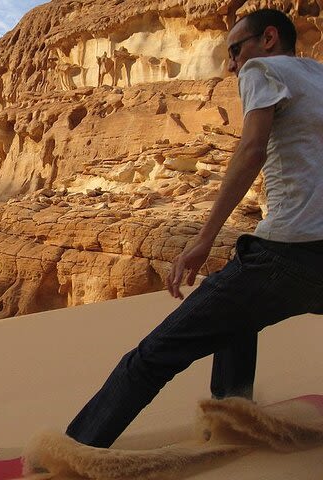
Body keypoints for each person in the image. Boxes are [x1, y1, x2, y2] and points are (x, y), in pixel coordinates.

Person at [65, 8, 323, 448]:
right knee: (239, 319)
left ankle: (68, 457)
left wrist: (203, 238)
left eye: (235, 50)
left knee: (150, 358)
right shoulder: (316, 76)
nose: (231, 64)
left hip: (285, 252)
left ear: (269, 39)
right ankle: (233, 415)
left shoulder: (262, 68)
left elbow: (251, 149)